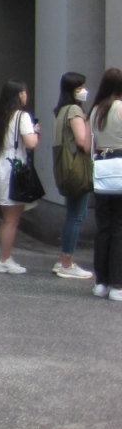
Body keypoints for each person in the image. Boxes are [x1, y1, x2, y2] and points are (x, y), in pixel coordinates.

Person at [0, 79, 39, 274]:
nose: (26, 95)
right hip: (15, 170)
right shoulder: (22, 116)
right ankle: (4, 259)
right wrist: (36, 132)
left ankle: (5, 257)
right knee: (12, 220)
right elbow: (31, 143)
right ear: (18, 95)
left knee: (7, 218)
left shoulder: (2, 116)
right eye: (24, 92)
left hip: (3, 167)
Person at [50, 72, 94, 279]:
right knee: (76, 216)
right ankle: (66, 261)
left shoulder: (61, 111)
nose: (84, 91)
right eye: (80, 87)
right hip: (77, 169)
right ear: (72, 90)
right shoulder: (74, 110)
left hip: (65, 169)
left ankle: (64, 259)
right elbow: (82, 142)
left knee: (73, 214)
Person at [89, 68, 122, 300]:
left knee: (103, 228)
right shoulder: (120, 107)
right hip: (120, 168)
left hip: (101, 170)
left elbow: (89, 143)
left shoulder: (95, 110)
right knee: (120, 228)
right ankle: (117, 284)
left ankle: (101, 282)